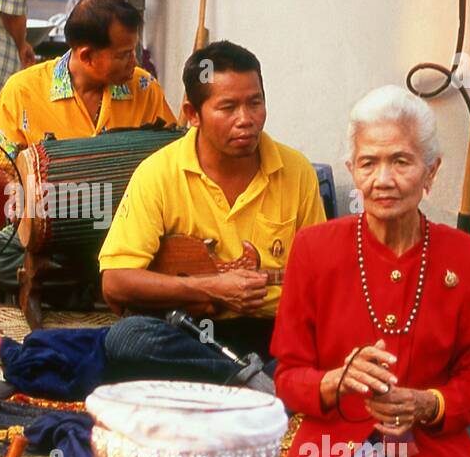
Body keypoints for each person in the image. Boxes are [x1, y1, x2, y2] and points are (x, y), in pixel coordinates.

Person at [274, 85, 470, 457]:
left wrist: (428, 404)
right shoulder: (314, 251)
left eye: (401, 161)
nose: (384, 179)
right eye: (369, 163)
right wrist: (336, 380)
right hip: (331, 454)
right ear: (352, 171)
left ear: (430, 171)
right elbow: (288, 377)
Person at [99, 41, 326, 381]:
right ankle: (255, 384)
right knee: (127, 339)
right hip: (190, 332)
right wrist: (212, 288)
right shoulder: (158, 173)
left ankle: (241, 382)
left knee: (338, 340)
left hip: (274, 333)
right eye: (228, 107)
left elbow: (322, 279)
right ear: (192, 114)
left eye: (255, 103)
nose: (246, 120)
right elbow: (115, 282)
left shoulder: (296, 170)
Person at [0, 0, 175, 158]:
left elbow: (171, 157)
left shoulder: (145, 88)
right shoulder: (22, 92)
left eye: (134, 51)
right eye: (124, 55)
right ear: (87, 56)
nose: (135, 62)